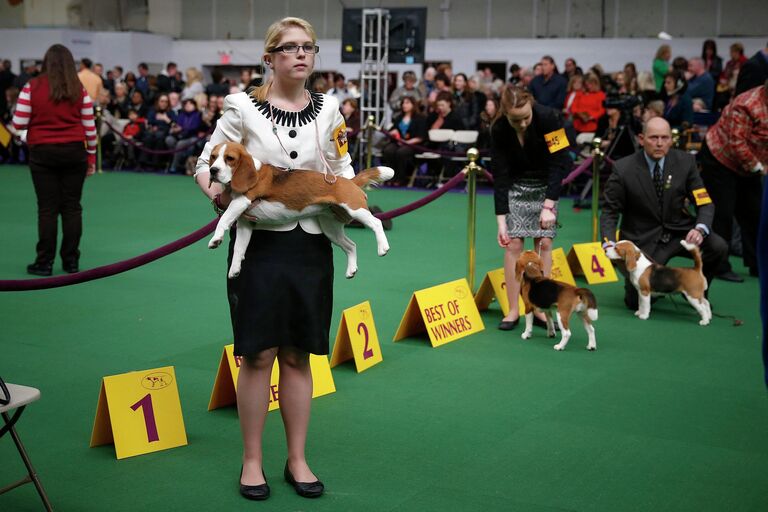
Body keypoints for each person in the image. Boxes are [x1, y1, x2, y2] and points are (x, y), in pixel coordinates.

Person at [193, 16, 354, 501]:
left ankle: (298, 459)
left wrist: (348, 204)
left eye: (308, 47)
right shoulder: (242, 106)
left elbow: (342, 166)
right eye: (289, 48)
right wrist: (219, 198)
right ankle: (252, 460)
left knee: (298, 354)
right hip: (257, 245)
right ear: (270, 57)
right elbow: (205, 163)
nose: (301, 55)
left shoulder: (331, 110)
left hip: (310, 243)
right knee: (258, 353)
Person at [600, 117, 728, 310]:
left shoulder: (686, 162)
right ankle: (662, 289)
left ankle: (697, 289)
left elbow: (705, 203)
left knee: (718, 246)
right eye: (653, 138)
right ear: (641, 139)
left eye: (664, 138)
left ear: (671, 140)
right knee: (635, 303)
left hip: (680, 232)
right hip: (644, 239)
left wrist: (700, 229)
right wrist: (608, 241)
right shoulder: (623, 168)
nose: (659, 143)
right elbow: (609, 212)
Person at [490, 86, 571, 330]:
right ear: (505, 114)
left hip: (546, 184)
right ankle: (513, 309)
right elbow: (500, 174)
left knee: (544, 243)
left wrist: (549, 205)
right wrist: (501, 222)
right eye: (516, 120)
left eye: (526, 117)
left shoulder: (550, 118)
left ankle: (539, 307)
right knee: (514, 244)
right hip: (517, 184)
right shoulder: (498, 129)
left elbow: (560, 162)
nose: (523, 123)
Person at [11, 44, 96, 276]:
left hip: (42, 153)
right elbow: (90, 128)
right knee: (72, 207)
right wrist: (92, 159)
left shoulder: (32, 86)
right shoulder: (78, 89)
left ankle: (44, 262)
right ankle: (71, 262)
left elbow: (18, 123)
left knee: (47, 209)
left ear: (45, 61)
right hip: (74, 153)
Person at [699, 82, 768, 282]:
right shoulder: (747, 104)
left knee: (755, 214)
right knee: (723, 214)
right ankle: (719, 266)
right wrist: (760, 168)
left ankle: (758, 264)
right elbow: (737, 143)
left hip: (751, 163)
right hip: (720, 158)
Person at [381, 96, 427, 185]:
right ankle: (390, 177)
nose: (404, 105)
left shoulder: (420, 118)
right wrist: (393, 132)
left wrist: (406, 142)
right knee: (388, 150)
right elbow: (393, 130)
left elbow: (421, 137)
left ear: (413, 105)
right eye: (403, 103)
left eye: (407, 103)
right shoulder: (399, 117)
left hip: (413, 144)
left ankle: (401, 178)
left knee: (401, 152)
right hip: (398, 142)